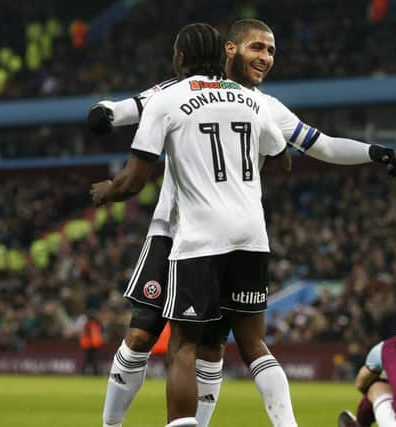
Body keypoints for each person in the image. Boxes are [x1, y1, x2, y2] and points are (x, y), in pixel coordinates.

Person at [89, 18, 396, 427]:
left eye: (271, 51)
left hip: (209, 237)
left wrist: (371, 150)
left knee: (210, 348)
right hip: (172, 230)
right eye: (258, 48)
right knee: (141, 335)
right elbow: (130, 107)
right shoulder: (175, 90)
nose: (266, 58)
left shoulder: (263, 104)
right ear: (230, 49)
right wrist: (105, 112)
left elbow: (320, 144)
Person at [90, 22, 295, 427]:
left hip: (193, 235)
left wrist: (106, 191)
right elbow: (282, 153)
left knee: (191, 344)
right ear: (225, 55)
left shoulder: (167, 99)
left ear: (179, 58)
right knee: (241, 343)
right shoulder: (251, 99)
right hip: (243, 234)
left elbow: (134, 179)